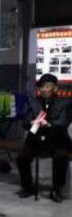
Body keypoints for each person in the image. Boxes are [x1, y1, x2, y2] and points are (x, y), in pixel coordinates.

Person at [16, 74, 72, 202]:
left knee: (60, 157)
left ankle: (57, 189)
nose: (44, 89)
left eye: (47, 86)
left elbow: (63, 122)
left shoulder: (64, 103)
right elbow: (25, 122)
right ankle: (27, 187)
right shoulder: (34, 102)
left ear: (55, 88)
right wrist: (32, 122)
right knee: (22, 157)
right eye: (41, 86)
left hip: (57, 140)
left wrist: (49, 124)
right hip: (36, 139)